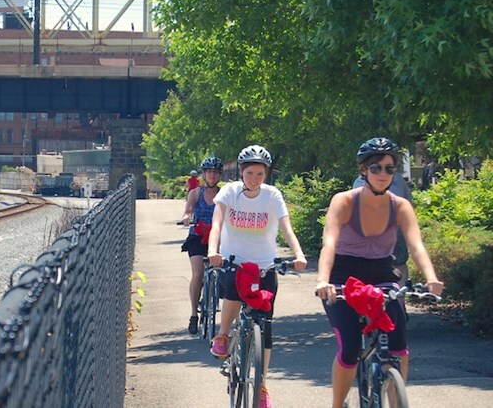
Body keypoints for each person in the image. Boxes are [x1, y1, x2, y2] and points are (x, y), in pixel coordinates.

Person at [315, 137, 444, 408]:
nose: (383, 174)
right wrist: (323, 280)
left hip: (383, 273)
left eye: (389, 168)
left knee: (399, 346)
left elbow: (416, 245)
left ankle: (398, 402)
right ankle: (337, 405)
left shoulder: (400, 205)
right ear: (363, 170)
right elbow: (329, 242)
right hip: (343, 278)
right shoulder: (344, 201)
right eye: (376, 168)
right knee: (350, 348)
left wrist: (430, 278)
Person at [207, 145, 308, 408]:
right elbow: (217, 223)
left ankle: (262, 385)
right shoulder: (230, 192)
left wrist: (298, 254)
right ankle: (224, 334)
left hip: (265, 265)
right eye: (250, 172)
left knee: (266, 326)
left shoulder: (272, 195)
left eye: (260, 174)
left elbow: (286, 227)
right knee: (232, 291)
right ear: (241, 172)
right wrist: (212, 251)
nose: (254, 178)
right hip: (234, 261)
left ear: (266, 174)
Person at [353, 169, 412, 310]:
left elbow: (409, 205)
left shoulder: (397, 179)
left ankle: (399, 301)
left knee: (398, 262)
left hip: (391, 230)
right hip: (372, 232)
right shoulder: (361, 182)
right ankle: (378, 304)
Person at [180, 156, 224, 334]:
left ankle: (217, 296)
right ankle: (193, 314)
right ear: (204, 174)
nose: (212, 175)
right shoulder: (195, 193)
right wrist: (186, 217)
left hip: (219, 237)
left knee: (224, 272)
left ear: (219, 175)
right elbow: (188, 210)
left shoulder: (224, 194)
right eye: (209, 171)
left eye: (215, 172)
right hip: (198, 236)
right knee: (198, 274)